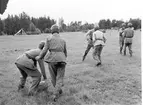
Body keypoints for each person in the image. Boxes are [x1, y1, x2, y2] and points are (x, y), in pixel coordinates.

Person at [36, 24, 67, 101]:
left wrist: (39, 57)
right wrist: (62, 58)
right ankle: (58, 91)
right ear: (58, 31)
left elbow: (44, 50)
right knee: (59, 78)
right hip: (62, 60)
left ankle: (56, 94)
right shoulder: (63, 40)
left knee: (53, 78)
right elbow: (65, 52)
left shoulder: (48, 38)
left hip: (52, 60)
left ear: (52, 31)